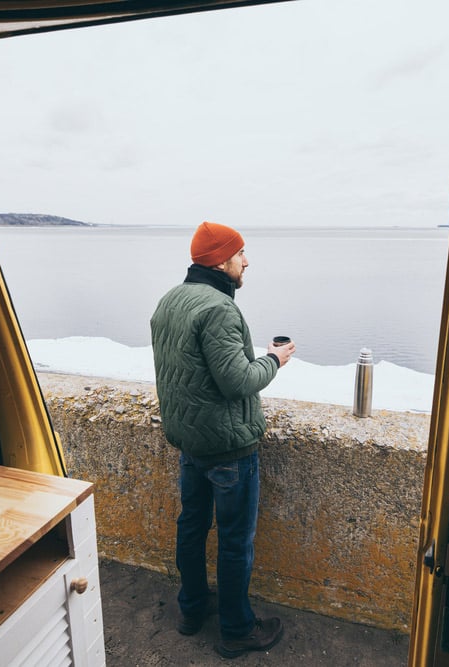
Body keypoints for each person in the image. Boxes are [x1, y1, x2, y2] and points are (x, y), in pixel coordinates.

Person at [150, 221, 295, 659]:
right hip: (229, 450)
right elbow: (237, 381)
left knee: (191, 528)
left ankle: (191, 610)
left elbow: (194, 371)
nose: (246, 261)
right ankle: (236, 629)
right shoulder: (219, 309)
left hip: (190, 442)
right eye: (241, 254)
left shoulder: (170, 300)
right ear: (220, 260)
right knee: (234, 542)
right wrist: (274, 358)